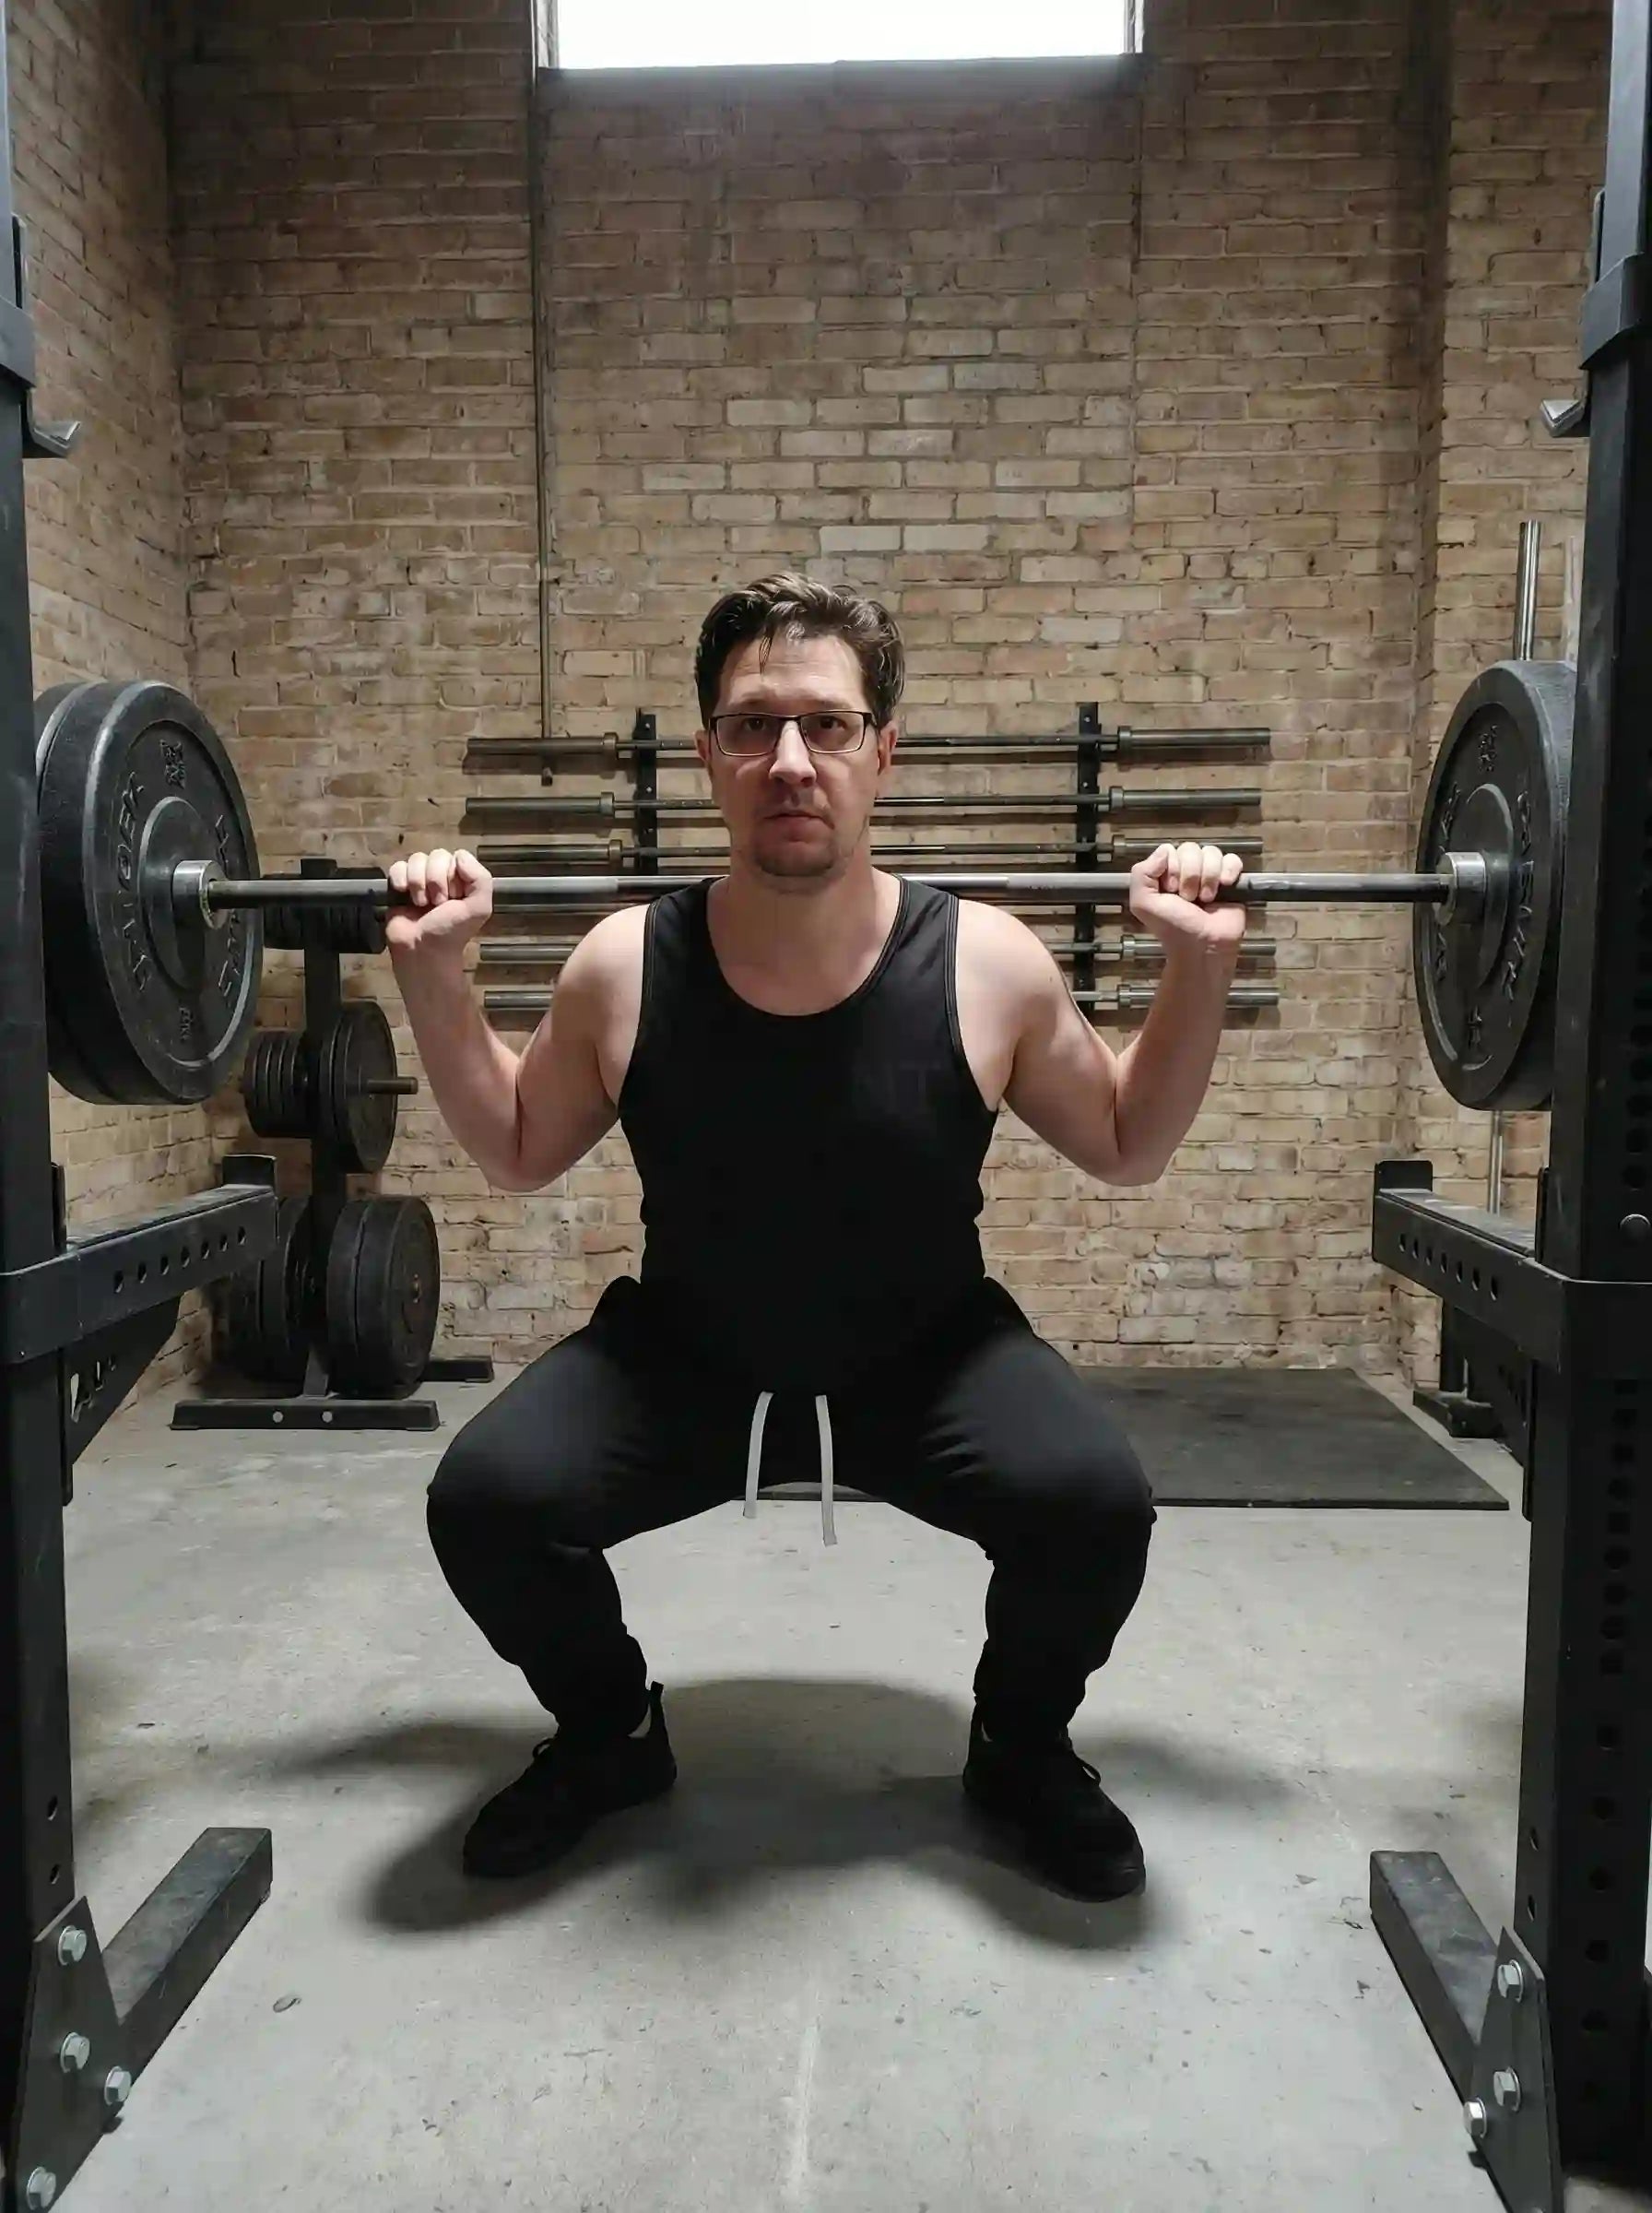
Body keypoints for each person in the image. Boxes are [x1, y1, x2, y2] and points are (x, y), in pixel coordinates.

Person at [390, 574, 1247, 1899]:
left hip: (928, 1363)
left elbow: (1128, 1144)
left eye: (827, 727)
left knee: (1094, 1505)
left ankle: (1020, 1751)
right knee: (486, 1503)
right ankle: (612, 1735)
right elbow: (514, 1146)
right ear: (708, 757)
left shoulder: (990, 963)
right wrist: (433, 973)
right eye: (752, 727)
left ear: (881, 752)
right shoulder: (623, 963)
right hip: (687, 1359)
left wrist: (1197, 963)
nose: (790, 761)